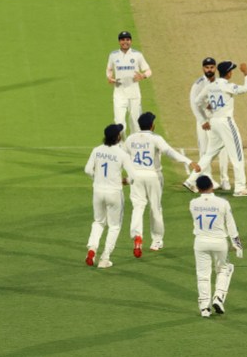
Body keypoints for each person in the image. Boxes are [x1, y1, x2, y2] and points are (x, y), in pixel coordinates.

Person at [124, 112, 200, 256]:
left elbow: (124, 157)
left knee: (138, 207)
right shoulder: (155, 138)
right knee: (155, 207)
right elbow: (169, 152)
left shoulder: (130, 139)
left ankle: (137, 236)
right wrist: (188, 161)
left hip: (136, 176)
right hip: (153, 175)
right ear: (152, 125)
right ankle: (157, 241)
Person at [184, 61, 247, 197]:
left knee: (209, 154)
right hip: (226, 123)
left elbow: (198, 101)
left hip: (214, 122)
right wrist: (246, 74)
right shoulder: (227, 86)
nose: (232, 72)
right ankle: (240, 188)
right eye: (231, 70)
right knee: (237, 154)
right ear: (228, 73)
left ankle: (190, 180)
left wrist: (208, 105)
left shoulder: (210, 86)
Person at [190, 175, 243, 318]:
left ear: (198, 188)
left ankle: (204, 308)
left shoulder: (193, 203)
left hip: (200, 242)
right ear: (212, 186)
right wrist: (237, 244)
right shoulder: (222, 203)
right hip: (219, 242)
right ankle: (218, 297)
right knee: (224, 269)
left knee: (203, 275)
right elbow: (231, 225)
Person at [84, 123, 137, 269]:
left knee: (98, 222)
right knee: (114, 226)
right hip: (114, 193)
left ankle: (92, 249)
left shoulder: (97, 150)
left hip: (98, 191)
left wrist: (98, 178)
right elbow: (133, 177)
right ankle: (105, 258)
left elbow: (87, 170)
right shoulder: (122, 154)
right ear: (118, 137)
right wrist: (125, 181)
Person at [190, 57, 231, 190]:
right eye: (207, 67)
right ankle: (208, 179)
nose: (209, 70)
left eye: (212, 67)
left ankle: (225, 179)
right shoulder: (198, 84)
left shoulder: (221, 83)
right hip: (204, 122)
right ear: (203, 68)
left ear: (215, 68)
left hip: (218, 120)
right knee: (205, 150)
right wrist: (203, 121)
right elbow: (194, 104)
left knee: (223, 149)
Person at [106, 31, 152, 134]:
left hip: (134, 94)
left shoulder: (137, 55)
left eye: (127, 39)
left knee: (135, 123)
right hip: (119, 94)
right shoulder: (113, 55)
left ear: (131, 41)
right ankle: (121, 147)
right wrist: (110, 77)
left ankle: (133, 147)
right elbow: (109, 69)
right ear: (119, 41)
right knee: (119, 124)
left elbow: (149, 71)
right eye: (122, 40)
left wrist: (143, 75)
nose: (125, 42)